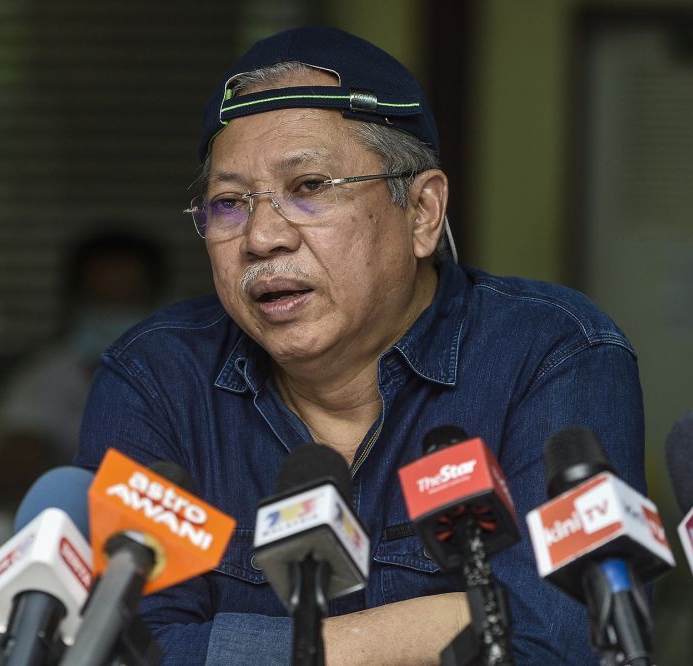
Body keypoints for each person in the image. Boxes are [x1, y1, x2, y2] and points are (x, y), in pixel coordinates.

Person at [76, 26, 645, 665]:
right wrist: (468, 618)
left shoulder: (553, 353)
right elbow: (124, 647)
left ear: (423, 212)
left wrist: (246, 649)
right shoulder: (156, 380)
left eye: (309, 187)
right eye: (230, 203)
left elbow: (566, 639)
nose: (262, 236)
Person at [0, 229, 166, 510]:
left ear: (156, 302)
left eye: (127, 301)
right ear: (76, 301)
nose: (112, 313)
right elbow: (8, 472)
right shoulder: (43, 377)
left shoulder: (187, 375)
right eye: (101, 301)